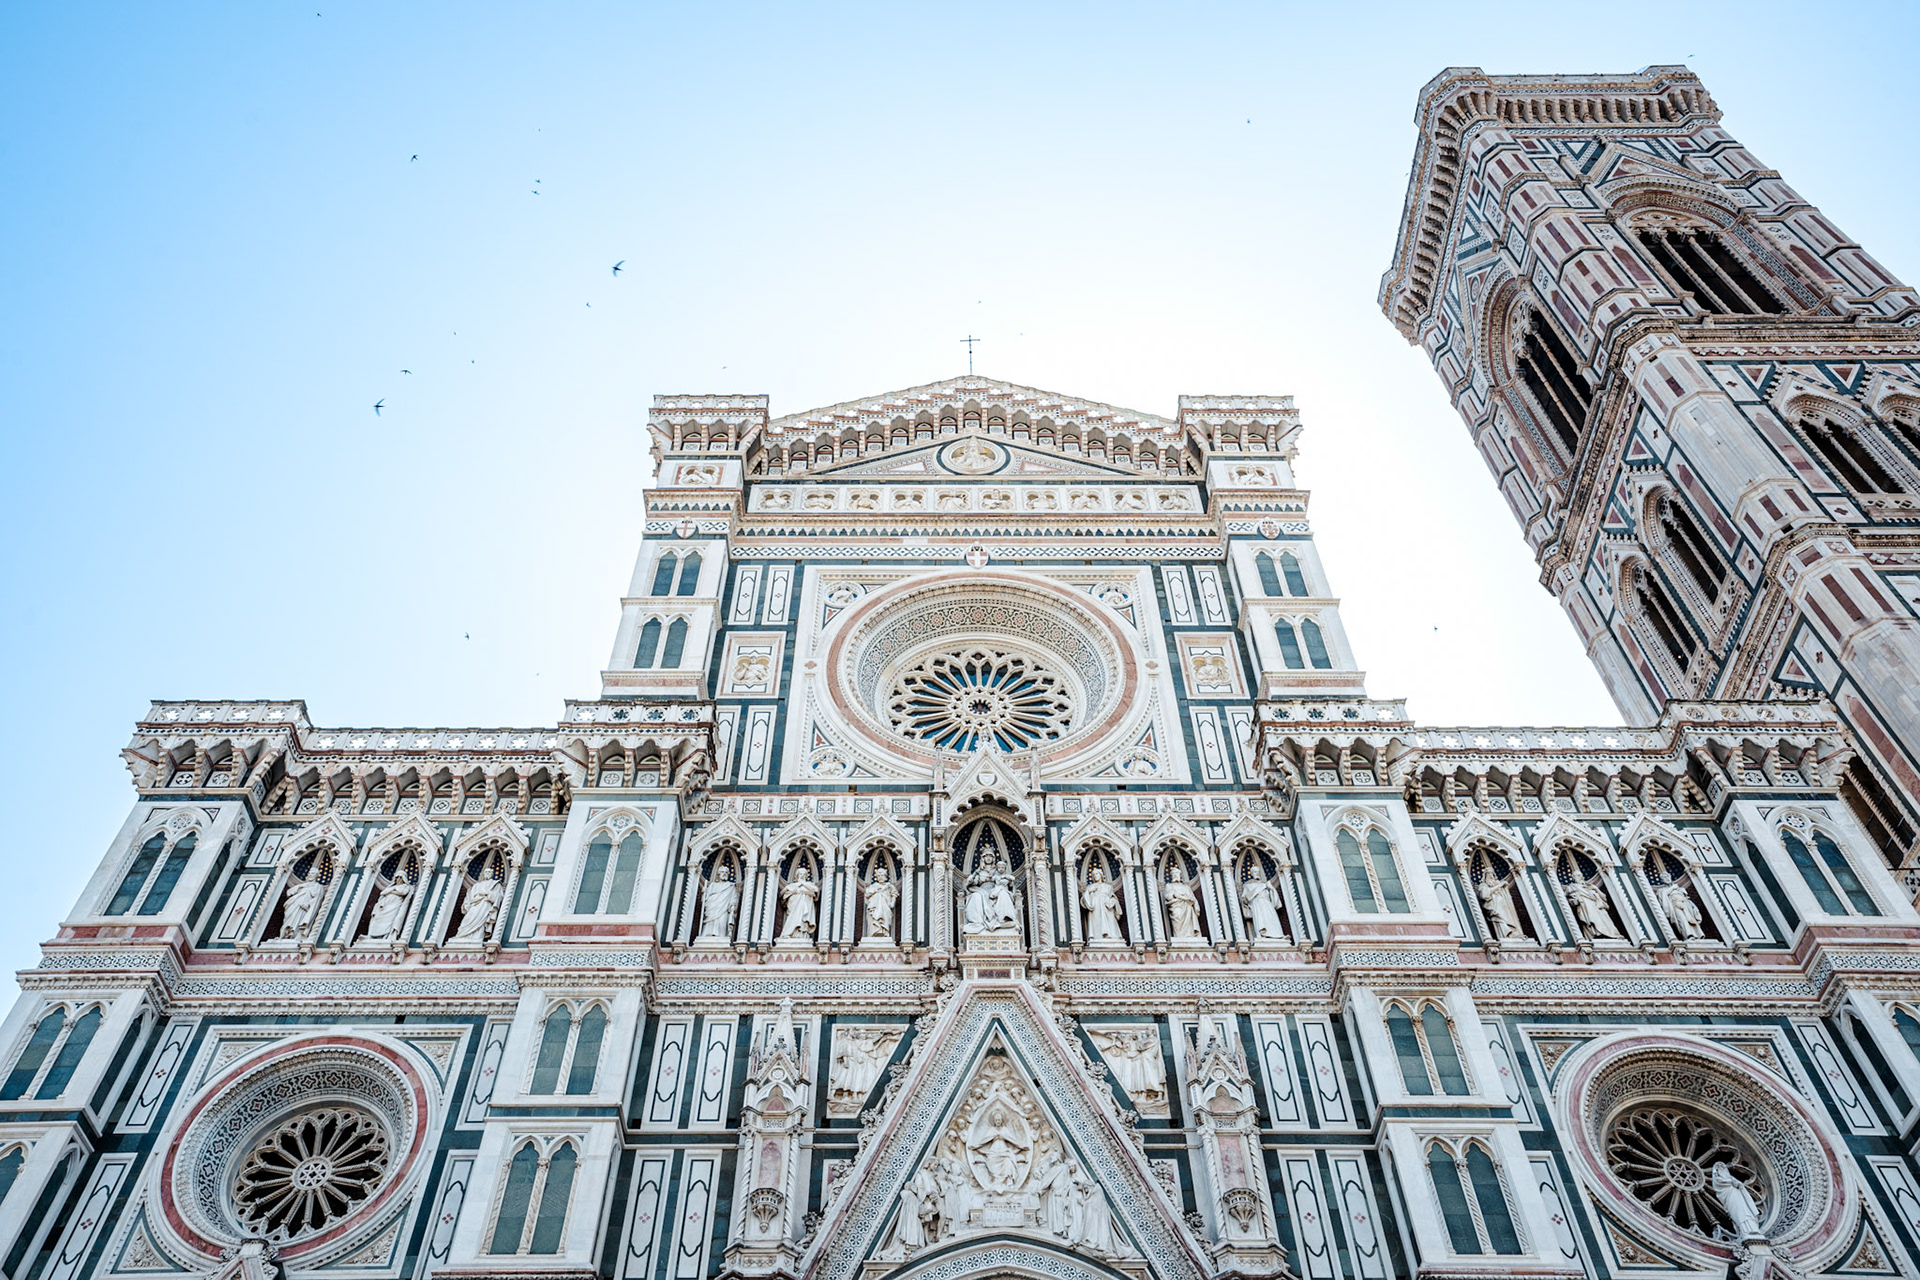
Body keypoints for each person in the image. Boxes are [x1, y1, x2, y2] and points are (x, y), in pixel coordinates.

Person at [450, 870, 502, 942]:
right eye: (486, 872)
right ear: (483, 874)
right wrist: (466, 904)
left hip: (485, 904)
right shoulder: (476, 885)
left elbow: (498, 896)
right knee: (467, 919)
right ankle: (461, 936)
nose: (487, 874)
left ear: (492, 874)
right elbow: (469, 897)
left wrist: (487, 893)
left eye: (489, 872)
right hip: (474, 905)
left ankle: (477, 938)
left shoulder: (495, 884)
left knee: (480, 921)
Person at [1242, 869, 1286, 941]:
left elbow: (1273, 897)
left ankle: (1278, 935)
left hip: (1267, 903)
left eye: (1258, 872)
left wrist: (1271, 888)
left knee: (1272, 917)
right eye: (1255, 872)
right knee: (1261, 919)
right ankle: (1262, 934)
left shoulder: (1265, 884)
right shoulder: (1248, 885)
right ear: (1252, 874)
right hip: (1257, 904)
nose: (1257, 873)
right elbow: (1244, 898)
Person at [363, 877, 412, 941]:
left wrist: (391, 891)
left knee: (390, 922)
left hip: (395, 906)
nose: (399, 879)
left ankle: (386, 936)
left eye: (401, 878)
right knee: (377, 918)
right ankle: (371, 936)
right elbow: (383, 893)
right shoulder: (391, 886)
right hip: (385, 906)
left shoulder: (405, 886)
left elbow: (403, 892)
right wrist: (394, 889)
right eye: (397, 877)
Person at [1084, 865, 1124, 943]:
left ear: (1101, 875)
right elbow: (1084, 900)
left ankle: (1112, 936)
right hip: (1096, 906)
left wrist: (1112, 902)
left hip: (1107, 906)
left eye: (1097, 874)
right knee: (1097, 921)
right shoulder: (1091, 887)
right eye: (1094, 875)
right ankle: (1097, 937)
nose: (1096, 876)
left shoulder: (1108, 887)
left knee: (1110, 921)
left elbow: (1113, 897)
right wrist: (1088, 892)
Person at [1164, 866, 1204, 942]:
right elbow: (1168, 896)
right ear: (1172, 876)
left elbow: (1192, 897)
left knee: (1189, 924)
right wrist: (1176, 896)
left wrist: (1196, 905)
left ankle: (1189, 935)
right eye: (1174, 874)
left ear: (1180, 875)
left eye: (1177, 874)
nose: (1176, 875)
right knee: (1178, 916)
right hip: (1177, 906)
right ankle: (1179, 937)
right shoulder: (1169, 886)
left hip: (1188, 906)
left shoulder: (1186, 887)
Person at [278, 875, 325, 939]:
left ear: (316, 876)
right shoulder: (302, 885)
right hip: (294, 904)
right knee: (288, 919)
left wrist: (308, 905)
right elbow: (289, 892)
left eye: (313, 873)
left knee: (298, 922)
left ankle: (294, 937)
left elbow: (317, 899)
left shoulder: (318, 886)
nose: (311, 874)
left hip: (303, 907)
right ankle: (282, 936)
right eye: (310, 873)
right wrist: (301, 886)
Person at [779, 867, 818, 941]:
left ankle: (803, 935)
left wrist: (802, 884)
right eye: (800, 874)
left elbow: (815, 890)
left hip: (805, 905)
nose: (802, 875)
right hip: (794, 905)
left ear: (807, 876)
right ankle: (788, 933)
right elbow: (782, 893)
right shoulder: (792, 886)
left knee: (803, 920)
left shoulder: (809, 885)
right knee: (793, 918)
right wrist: (796, 889)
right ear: (796, 876)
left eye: (804, 874)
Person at [697, 871, 738, 943]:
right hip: (712, 908)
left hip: (724, 909)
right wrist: (704, 893)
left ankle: (722, 938)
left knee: (722, 924)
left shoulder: (731, 886)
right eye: (722, 872)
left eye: (726, 872)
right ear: (718, 874)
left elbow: (734, 898)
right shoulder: (712, 885)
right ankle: (705, 936)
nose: (724, 874)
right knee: (709, 924)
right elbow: (705, 900)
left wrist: (732, 905)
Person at [864, 866, 898, 942]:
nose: (880, 877)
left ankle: (884, 932)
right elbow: (867, 894)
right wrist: (877, 890)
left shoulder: (889, 886)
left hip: (885, 908)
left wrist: (892, 902)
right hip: (874, 908)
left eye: (882, 875)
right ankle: (874, 932)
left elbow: (894, 894)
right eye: (878, 876)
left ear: (886, 877)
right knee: (874, 921)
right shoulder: (873, 886)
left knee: (884, 919)